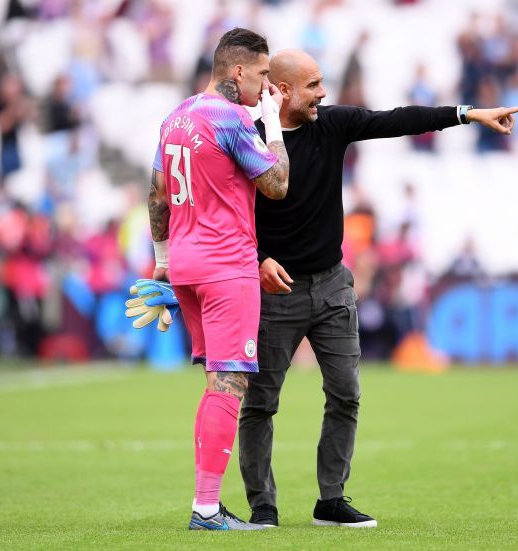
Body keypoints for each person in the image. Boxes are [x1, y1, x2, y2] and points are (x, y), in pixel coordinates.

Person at [239, 49, 518, 528]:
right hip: (274, 292)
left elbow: (397, 120)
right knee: (261, 402)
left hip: (332, 286)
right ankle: (262, 507)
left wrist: (468, 114)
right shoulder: (245, 138)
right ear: (284, 90)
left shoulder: (331, 125)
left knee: (347, 392)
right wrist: (256, 261)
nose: (324, 93)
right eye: (313, 84)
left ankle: (331, 499)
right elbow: (224, 216)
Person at [147, 27, 289, 531]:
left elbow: (158, 194)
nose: (265, 86)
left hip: (185, 266)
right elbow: (276, 184)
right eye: (263, 75)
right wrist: (271, 122)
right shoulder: (231, 120)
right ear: (237, 71)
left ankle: (208, 504)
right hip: (226, 266)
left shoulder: (175, 117)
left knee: (215, 384)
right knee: (229, 384)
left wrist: (162, 260)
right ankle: (206, 509)